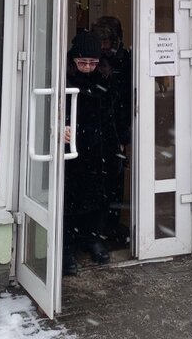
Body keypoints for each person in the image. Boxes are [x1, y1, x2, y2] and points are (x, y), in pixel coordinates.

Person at [62, 30, 119, 276]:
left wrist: (116, 147)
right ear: (73, 60)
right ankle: (66, 247)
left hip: (98, 149)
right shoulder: (63, 80)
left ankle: (92, 238)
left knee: (98, 197)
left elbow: (110, 118)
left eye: (92, 62)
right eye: (82, 62)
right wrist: (60, 127)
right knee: (69, 198)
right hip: (72, 150)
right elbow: (52, 109)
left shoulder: (104, 81)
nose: (87, 67)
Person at [93, 16, 132, 248]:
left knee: (115, 179)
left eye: (108, 41)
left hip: (116, 127)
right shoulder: (92, 58)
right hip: (94, 127)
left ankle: (111, 225)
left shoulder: (124, 59)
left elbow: (127, 96)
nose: (104, 45)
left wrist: (124, 135)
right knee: (96, 179)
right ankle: (96, 229)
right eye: (101, 41)